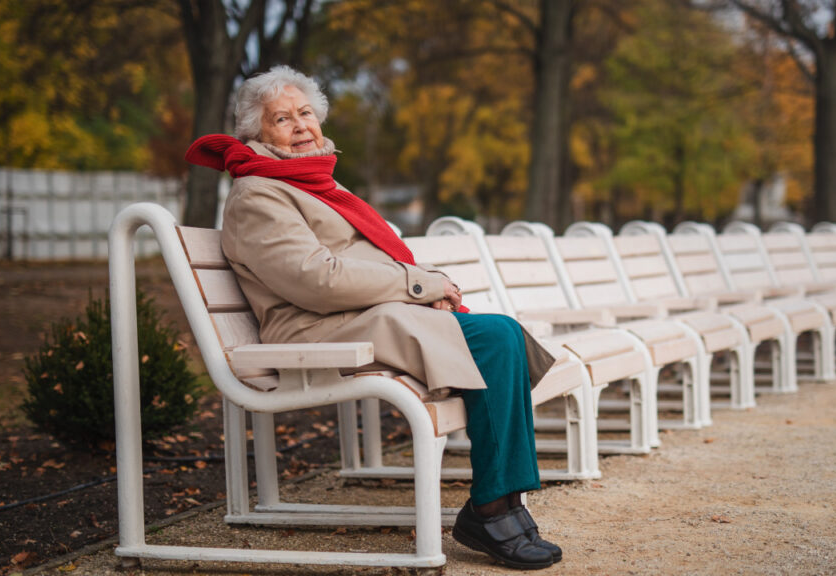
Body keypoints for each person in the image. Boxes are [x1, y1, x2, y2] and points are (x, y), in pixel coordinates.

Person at [185, 65, 562, 570]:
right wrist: (419, 285)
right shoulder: (259, 194)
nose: (300, 126)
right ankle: (493, 509)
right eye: (281, 119)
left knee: (502, 337)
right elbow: (316, 281)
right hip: (317, 328)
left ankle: (502, 506)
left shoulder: (313, 183)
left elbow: (361, 266)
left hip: (362, 315)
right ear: (257, 135)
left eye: (305, 114)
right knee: (496, 339)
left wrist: (421, 292)